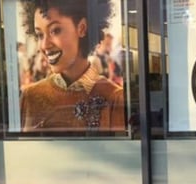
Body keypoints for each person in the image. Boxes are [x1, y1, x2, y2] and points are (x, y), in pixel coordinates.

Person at [19, 0, 125, 132]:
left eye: (55, 30)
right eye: (40, 35)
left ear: (82, 28)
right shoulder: (30, 97)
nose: (44, 45)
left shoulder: (113, 97)